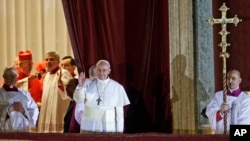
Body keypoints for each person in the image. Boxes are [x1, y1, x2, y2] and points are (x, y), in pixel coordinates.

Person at [74, 59, 130, 133]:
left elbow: (119, 114)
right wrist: (80, 86)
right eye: (99, 70)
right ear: (96, 71)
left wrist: (119, 132)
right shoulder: (87, 83)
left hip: (108, 125)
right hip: (89, 125)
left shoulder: (117, 87)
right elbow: (79, 100)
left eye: (104, 70)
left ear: (109, 71)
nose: (101, 73)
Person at [37, 51, 72, 133]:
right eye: (46, 59)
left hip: (59, 111)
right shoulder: (47, 76)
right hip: (47, 110)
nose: (48, 62)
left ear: (58, 62)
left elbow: (70, 92)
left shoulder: (63, 73)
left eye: (52, 59)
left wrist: (60, 84)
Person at [206, 69, 250, 134]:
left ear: (239, 80)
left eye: (233, 78)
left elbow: (245, 122)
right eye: (228, 78)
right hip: (220, 136)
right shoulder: (218, 96)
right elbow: (210, 112)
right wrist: (220, 112)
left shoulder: (246, 100)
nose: (230, 81)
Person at [0, 66, 39, 132]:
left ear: (17, 77)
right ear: (4, 76)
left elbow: (34, 109)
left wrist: (24, 111)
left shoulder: (25, 94)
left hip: (22, 130)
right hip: (4, 131)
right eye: (10, 75)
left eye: (14, 75)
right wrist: (7, 111)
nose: (12, 78)